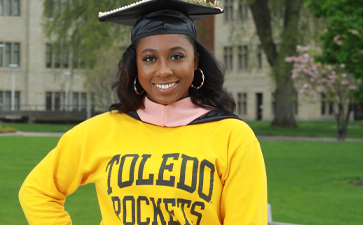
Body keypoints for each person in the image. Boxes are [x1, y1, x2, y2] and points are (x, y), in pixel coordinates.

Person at [19, 0, 267, 224]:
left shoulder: (233, 137)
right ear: (135, 65)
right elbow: (37, 191)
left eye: (177, 56)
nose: (163, 71)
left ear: (195, 61)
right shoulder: (101, 131)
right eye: (149, 59)